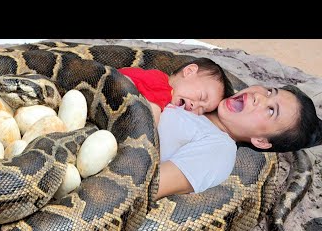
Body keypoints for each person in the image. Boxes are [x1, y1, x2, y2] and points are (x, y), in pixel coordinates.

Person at [155, 84, 322, 199]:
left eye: (271, 110)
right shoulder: (204, 93)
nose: (259, 97)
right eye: (270, 92)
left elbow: (146, 186)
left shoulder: (219, 151)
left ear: (261, 141)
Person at [118, 58, 234, 125]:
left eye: (202, 110)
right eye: (201, 97)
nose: (195, 106)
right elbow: (149, 119)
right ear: (189, 71)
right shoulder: (162, 87)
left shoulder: (162, 83)